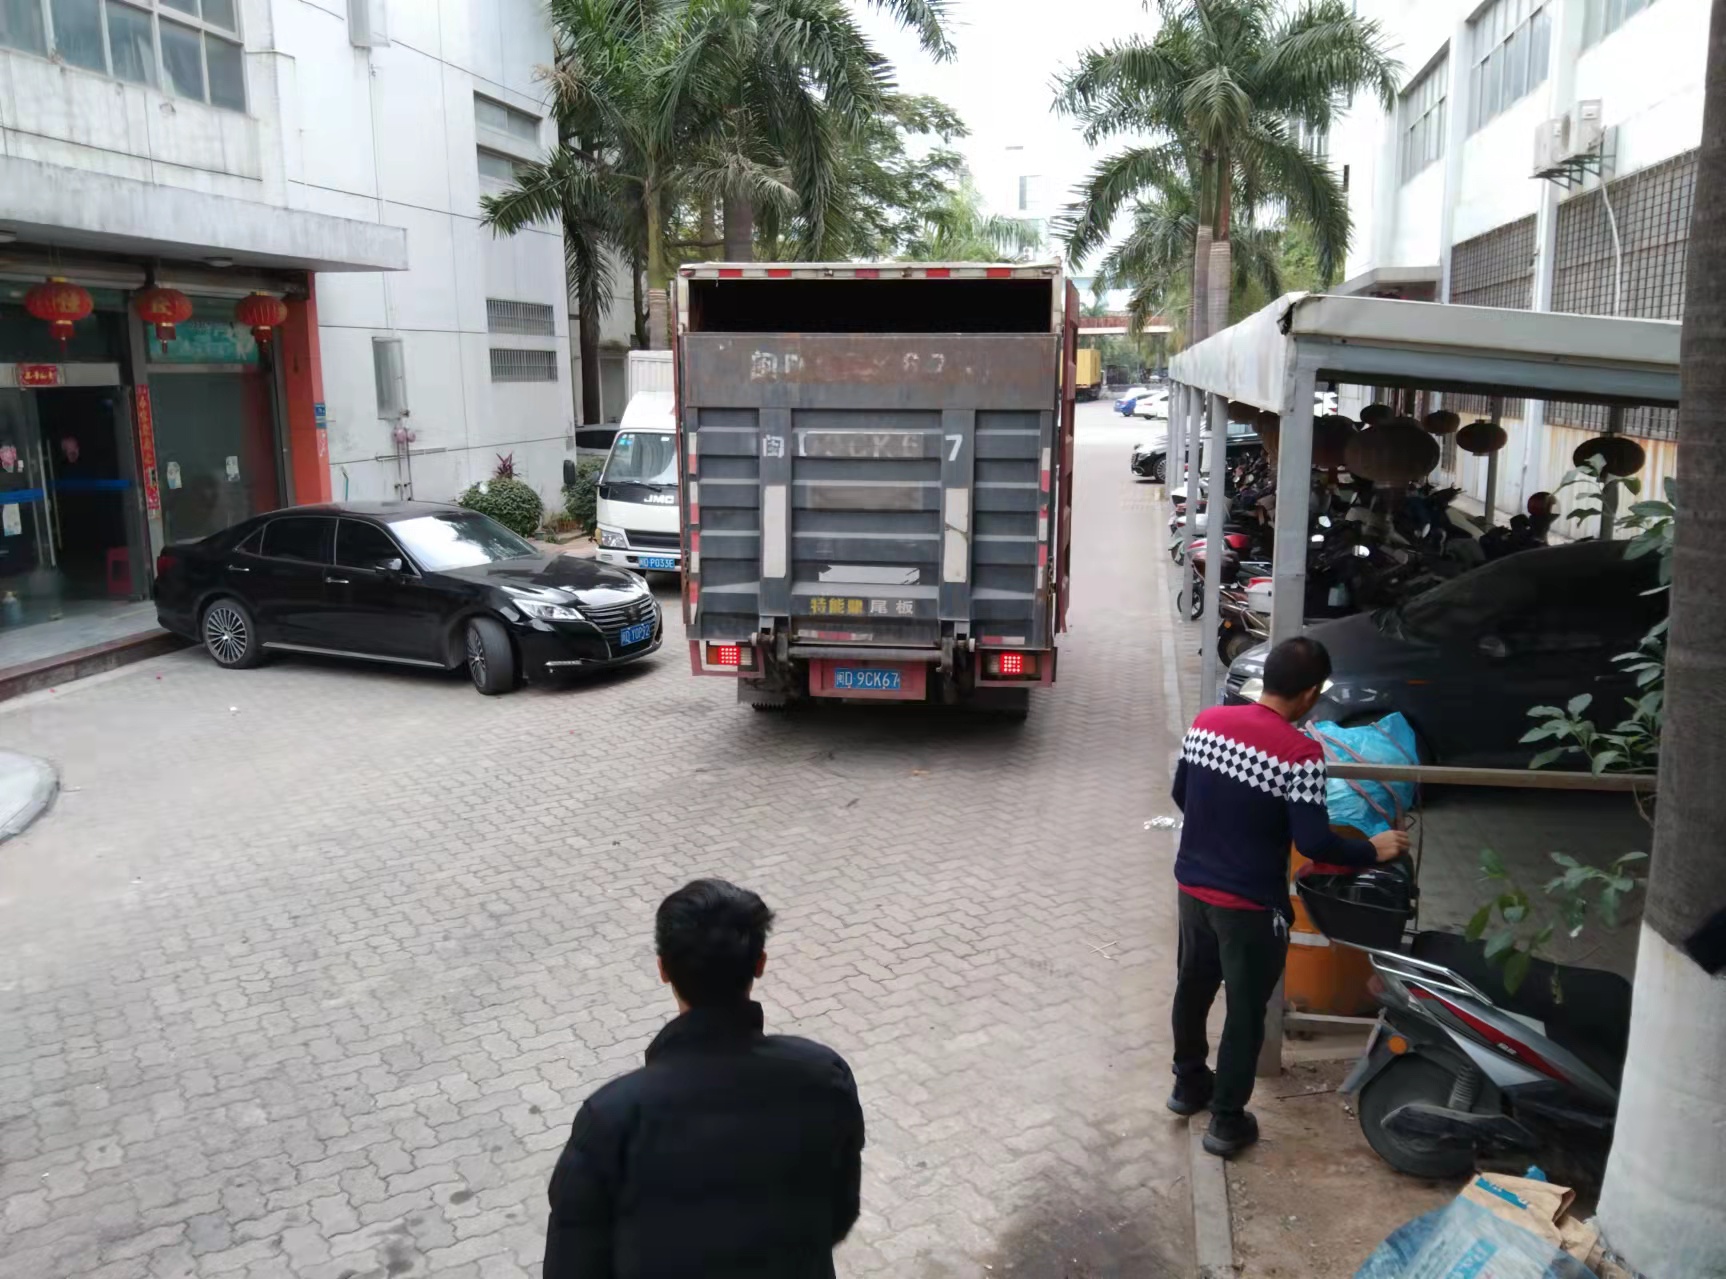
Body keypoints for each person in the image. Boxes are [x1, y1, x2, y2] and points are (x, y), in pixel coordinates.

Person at [543, 879, 865, 1278]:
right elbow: (839, 1211)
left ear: (663, 969)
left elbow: (573, 1264)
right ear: (760, 963)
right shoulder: (823, 1076)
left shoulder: (611, 1118)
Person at [1169, 637, 1409, 1156]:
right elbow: (1316, 843)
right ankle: (1226, 1121)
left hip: (1192, 889)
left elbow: (1181, 794)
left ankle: (1187, 1086)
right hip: (1249, 905)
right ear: (1309, 695)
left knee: (1193, 987)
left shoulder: (1206, 723)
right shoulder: (1299, 754)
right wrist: (1371, 849)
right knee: (1244, 1010)